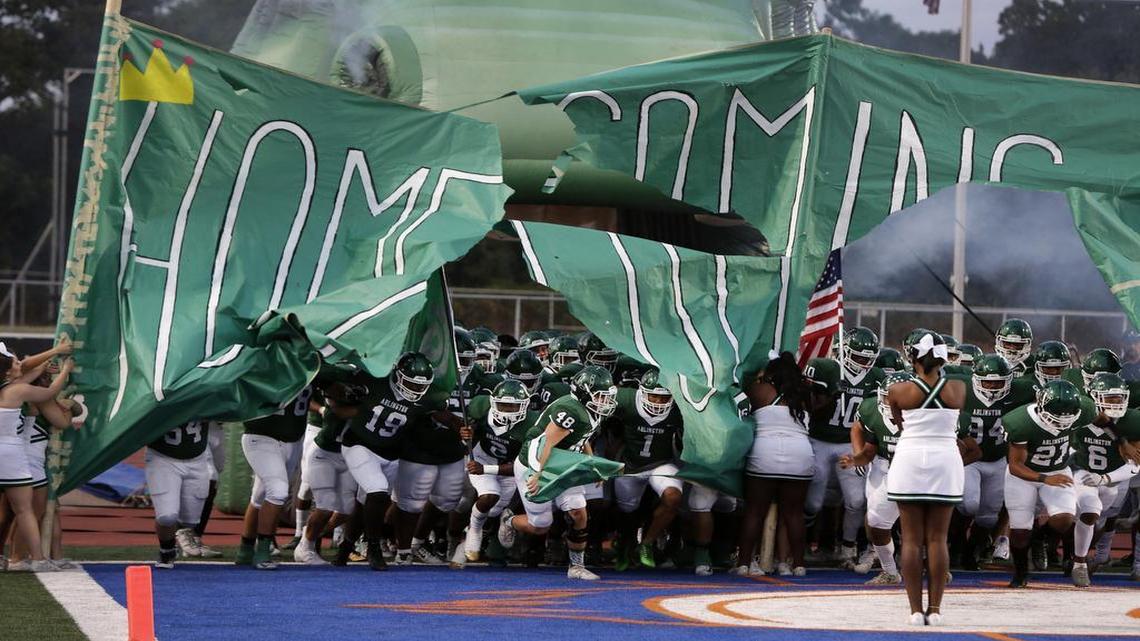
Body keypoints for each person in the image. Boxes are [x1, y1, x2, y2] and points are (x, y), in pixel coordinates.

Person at [497, 365, 617, 581]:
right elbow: (546, 442)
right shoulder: (571, 410)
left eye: (607, 396)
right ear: (584, 392)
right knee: (540, 525)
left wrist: (591, 463)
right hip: (535, 462)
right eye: (600, 396)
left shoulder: (589, 410)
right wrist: (537, 473)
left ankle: (576, 567)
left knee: (578, 511)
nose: (604, 401)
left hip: (563, 463)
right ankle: (509, 520)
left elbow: (583, 437)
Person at [885, 332, 965, 626]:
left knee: (911, 539)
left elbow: (899, 423)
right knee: (937, 539)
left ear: (913, 358)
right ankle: (936, 609)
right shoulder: (957, 388)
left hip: (909, 458)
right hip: (945, 459)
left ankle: (915, 611)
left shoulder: (898, 390)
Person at [1001, 379, 1092, 588]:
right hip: (1024, 476)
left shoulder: (1084, 407)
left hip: (1058, 469)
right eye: (1056, 417)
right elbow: (1015, 465)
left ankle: (1040, 538)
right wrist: (1044, 479)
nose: (1062, 422)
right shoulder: (1021, 421)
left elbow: (1102, 419)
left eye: (1067, 417)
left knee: (1065, 519)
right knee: (1020, 530)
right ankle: (1021, 573)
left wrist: (1121, 441)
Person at [806, 327, 883, 569]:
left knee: (856, 500)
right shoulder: (830, 369)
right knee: (813, 502)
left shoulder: (876, 377)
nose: (863, 364)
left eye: (868, 359)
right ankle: (802, 543)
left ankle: (847, 548)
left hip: (850, 443)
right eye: (859, 357)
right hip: (818, 439)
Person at [733, 352, 815, 577]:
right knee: (794, 514)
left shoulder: (759, 391)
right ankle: (797, 564)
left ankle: (743, 563)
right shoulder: (805, 393)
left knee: (755, 512)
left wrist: (761, 377)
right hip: (800, 454)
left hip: (764, 453)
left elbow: (742, 390)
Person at [954, 354, 1034, 569]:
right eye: (987, 381)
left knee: (989, 516)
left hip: (998, 459)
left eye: (998, 382)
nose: (992, 386)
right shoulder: (961, 388)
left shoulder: (1020, 391)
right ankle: (956, 543)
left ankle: (972, 551)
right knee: (969, 504)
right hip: (970, 458)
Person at [0, 340, 73, 572]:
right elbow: (50, 393)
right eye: (14, 361)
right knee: (25, 509)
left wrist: (43, 365)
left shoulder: (10, 387)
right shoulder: (17, 390)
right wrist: (65, 371)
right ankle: (37, 559)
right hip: (12, 452)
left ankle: (14, 557)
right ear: (7, 369)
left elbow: (26, 369)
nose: (19, 363)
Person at [840, 371, 913, 585]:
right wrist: (858, 457)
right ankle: (889, 570)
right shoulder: (872, 409)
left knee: (920, 525)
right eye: (886, 397)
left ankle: (934, 565)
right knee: (875, 522)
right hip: (886, 468)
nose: (890, 403)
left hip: (919, 472)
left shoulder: (926, 416)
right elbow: (863, 434)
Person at [1068, 372, 1140, 587]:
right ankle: (1079, 563)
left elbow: (1135, 464)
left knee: (1100, 518)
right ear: (1094, 396)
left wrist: (1105, 478)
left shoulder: (1133, 420)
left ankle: (1081, 555)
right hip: (1080, 470)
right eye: (1109, 398)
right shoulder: (1081, 412)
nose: (1115, 403)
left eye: (1119, 398)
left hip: (1112, 479)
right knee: (1090, 510)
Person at [610, 368, 684, 571]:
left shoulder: (679, 407)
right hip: (631, 465)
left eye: (664, 398)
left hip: (661, 463)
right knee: (626, 510)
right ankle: (624, 545)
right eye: (653, 396)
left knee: (673, 498)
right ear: (641, 392)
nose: (658, 403)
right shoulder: (625, 399)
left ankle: (647, 543)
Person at [236, 383, 314, 570]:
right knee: (277, 492)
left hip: (293, 440)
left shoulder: (313, 364)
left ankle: (245, 549)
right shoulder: (265, 363)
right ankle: (264, 548)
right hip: (261, 436)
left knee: (260, 495)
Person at [463, 379, 532, 561]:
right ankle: (475, 530)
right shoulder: (481, 407)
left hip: (510, 467)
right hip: (482, 457)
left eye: (513, 407)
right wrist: (466, 433)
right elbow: (471, 430)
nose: (507, 411)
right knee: (489, 496)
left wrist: (485, 469)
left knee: (494, 511)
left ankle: (492, 530)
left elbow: (521, 466)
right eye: (503, 405)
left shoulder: (531, 425)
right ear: (493, 402)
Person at [145, 420, 216, 568]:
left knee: (190, 521)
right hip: (162, 457)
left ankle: (174, 537)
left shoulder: (206, 396)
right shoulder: (157, 395)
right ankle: (167, 550)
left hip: (197, 457)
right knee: (167, 516)